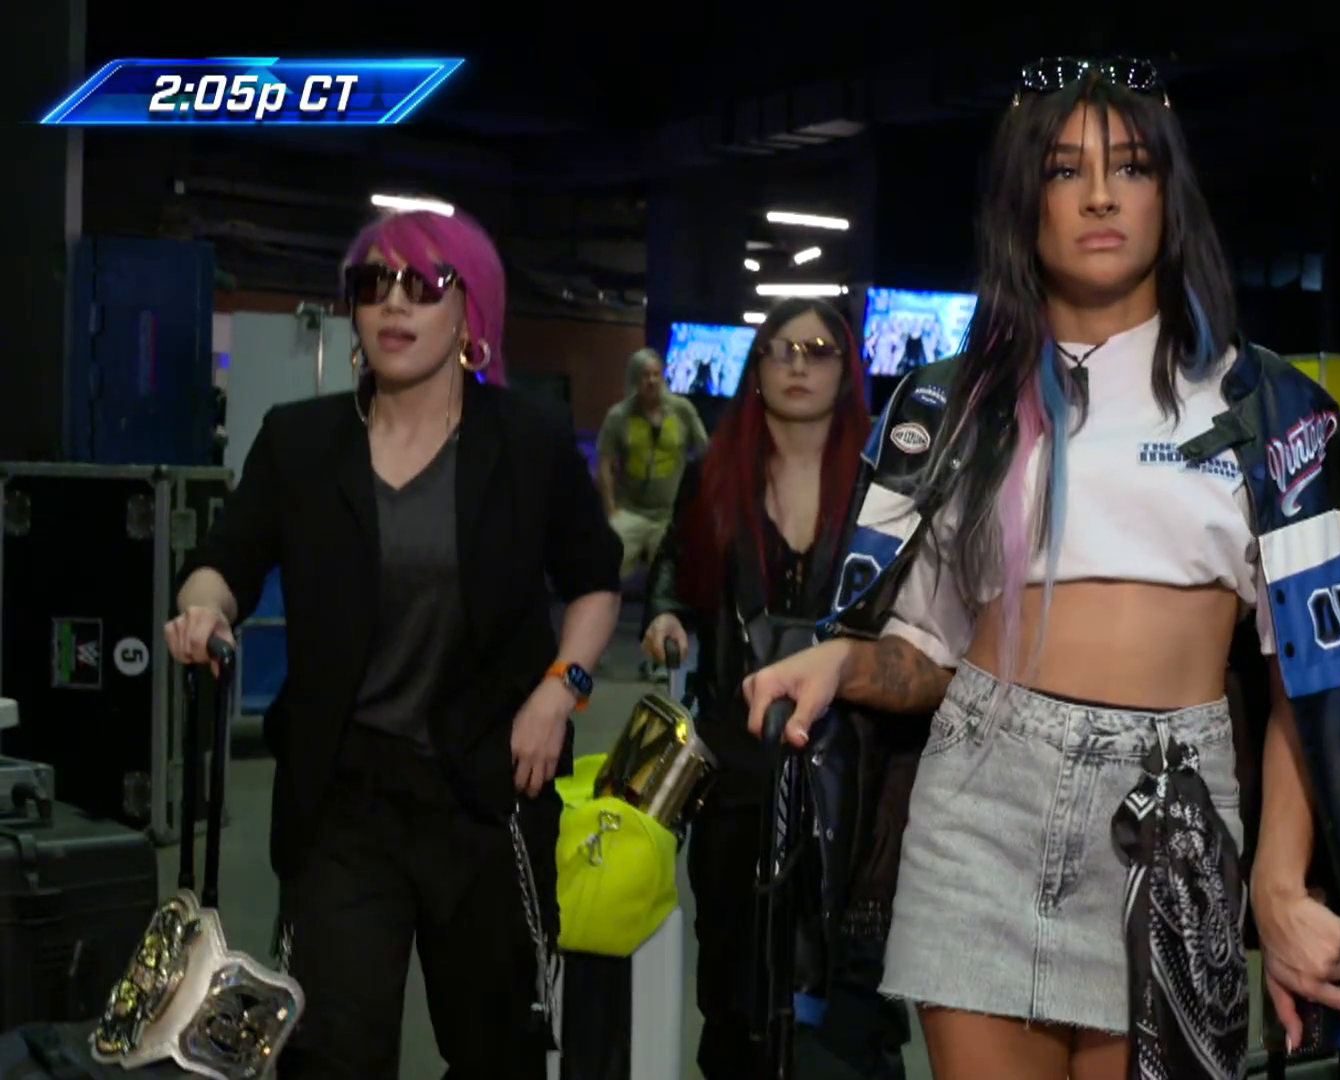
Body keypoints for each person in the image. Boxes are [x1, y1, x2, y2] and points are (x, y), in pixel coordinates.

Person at [743, 58, 1340, 1078]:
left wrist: (1279, 884)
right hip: (981, 804)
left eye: (1131, 167)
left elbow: (1313, 678)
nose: (1101, 196)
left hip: (1173, 816)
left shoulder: (1270, 410)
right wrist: (842, 661)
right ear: (1026, 203)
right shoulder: (950, 408)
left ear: (1168, 197)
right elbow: (925, 653)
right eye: (1066, 171)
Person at [164, 206, 623, 1080]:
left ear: (470, 312)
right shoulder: (300, 443)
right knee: (332, 1053)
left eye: (424, 284)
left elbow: (596, 579)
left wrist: (558, 689)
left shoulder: (525, 443)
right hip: (345, 796)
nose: (394, 303)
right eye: (373, 283)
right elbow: (223, 561)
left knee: (497, 1053)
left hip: (486, 791)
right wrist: (204, 608)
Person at [640, 297, 907, 1078]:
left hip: (851, 765)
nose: (798, 364)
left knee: (847, 986)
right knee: (732, 973)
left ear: (847, 371)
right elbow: (674, 569)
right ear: (756, 370)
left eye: (819, 349)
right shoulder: (714, 475)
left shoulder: (884, 486)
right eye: (782, 349)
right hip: (735, 761)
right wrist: (665, 616)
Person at [598, 346, 710, 580]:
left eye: (656, 374)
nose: (651, 381)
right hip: (630, 510)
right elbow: (605, 464)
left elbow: (705, 452)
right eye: (645, 375)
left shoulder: (682, 410)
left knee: (670, 577)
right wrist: (610, 510)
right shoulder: (618, 416)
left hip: (668, 514)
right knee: (605, 565)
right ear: (634, 380)